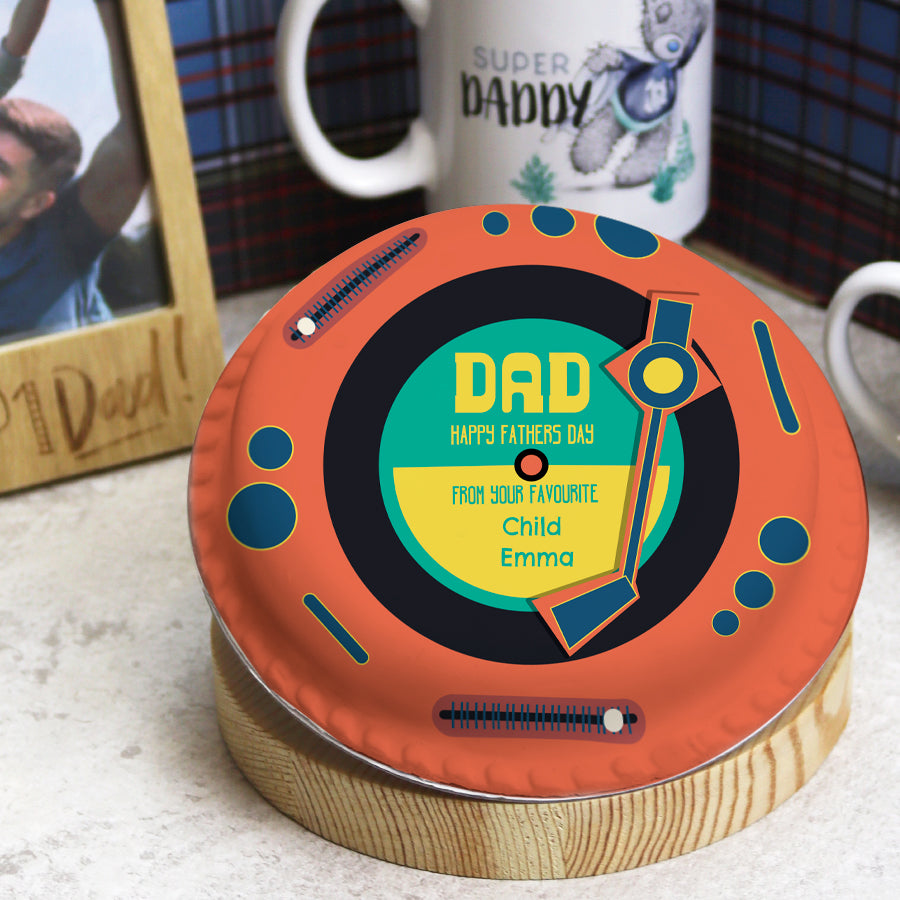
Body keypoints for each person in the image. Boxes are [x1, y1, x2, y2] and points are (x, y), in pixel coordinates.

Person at [0, 0, 147, 340]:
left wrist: (115, 9)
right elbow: (11, 53)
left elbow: (142, 136)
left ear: (35, 203)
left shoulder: (66, 233)